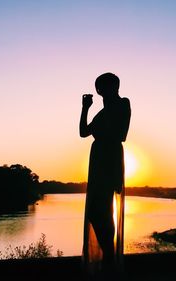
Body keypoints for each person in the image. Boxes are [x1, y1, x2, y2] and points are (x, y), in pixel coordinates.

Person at [79, 73, 131, 278]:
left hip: (109, 158)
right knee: (97, 210)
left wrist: (101, 136)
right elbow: (83, 132)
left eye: (105, 87)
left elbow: (121, 134)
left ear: (115, 87)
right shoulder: (101, 112)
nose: (101, 91)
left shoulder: (122, 104)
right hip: (98, 159)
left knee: (100, 209)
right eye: (99, 88)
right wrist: (85, 108)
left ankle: (109, 258)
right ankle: (109, 258)